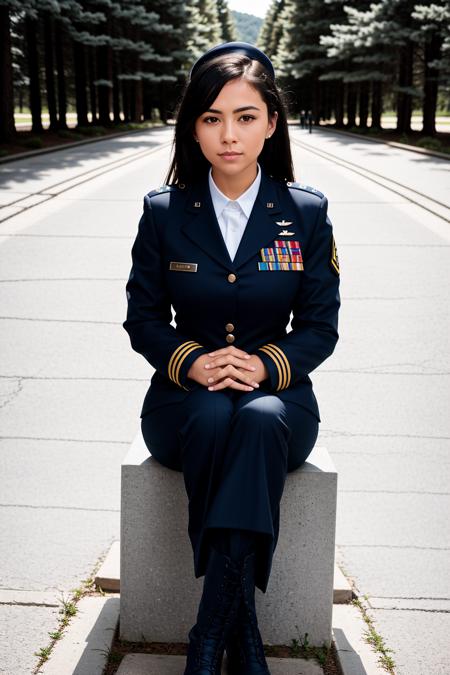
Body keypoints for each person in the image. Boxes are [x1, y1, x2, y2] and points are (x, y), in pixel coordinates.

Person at [123, 41, 340, 675]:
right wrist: (191, 363)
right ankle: (238, 633)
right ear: (193, 126)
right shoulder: (164, 214)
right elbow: (142, 320)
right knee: (217, 418)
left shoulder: (305, 213)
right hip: (181, 403)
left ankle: (209, 631)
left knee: (254, 417)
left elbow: (320, 328)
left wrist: (266, 366)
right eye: (212, 117)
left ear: (272, 123)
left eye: (246, 117)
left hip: (279, 403)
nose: (229, 135)